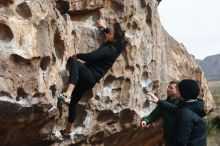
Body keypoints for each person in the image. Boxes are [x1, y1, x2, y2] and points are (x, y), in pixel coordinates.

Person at [57, 19, 125, 138]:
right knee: (73, 103)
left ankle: (67, 94)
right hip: (91, 80)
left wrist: (77, 56)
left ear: (114, 38)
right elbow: (114, 36)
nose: (108, 33)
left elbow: (91, 57)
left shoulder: (108, 49)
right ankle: (67, 131)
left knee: (76, 63)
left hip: (89, 75)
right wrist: (104, 28)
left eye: (110, 32)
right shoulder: (119, 46)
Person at [148, 79, 207, 146]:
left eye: (178, 89)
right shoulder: (195, 105)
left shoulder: (185, 114)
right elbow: (175, 109)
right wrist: (158, 101)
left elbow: (180, 141)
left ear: (183, 92)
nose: (177, 91)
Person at [141, 81, 181, 146]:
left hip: (180, 138)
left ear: (177, 90)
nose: (167, 89)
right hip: (168, 138)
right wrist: (146, 120)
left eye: (171, 88)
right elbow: (154, 114)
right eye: (168, 87)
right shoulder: (164, 103)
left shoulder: (181, 103)